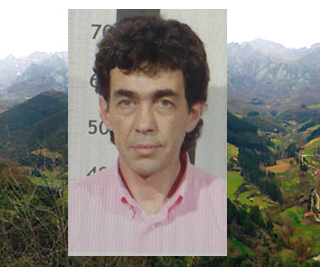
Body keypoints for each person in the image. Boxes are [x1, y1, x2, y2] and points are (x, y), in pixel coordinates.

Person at [68, 15, 226, 256]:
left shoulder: (223, 209)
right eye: (127, 102)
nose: (144, 124)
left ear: (192, 114)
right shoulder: (73, 209)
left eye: (163, 102)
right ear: (106, 112)